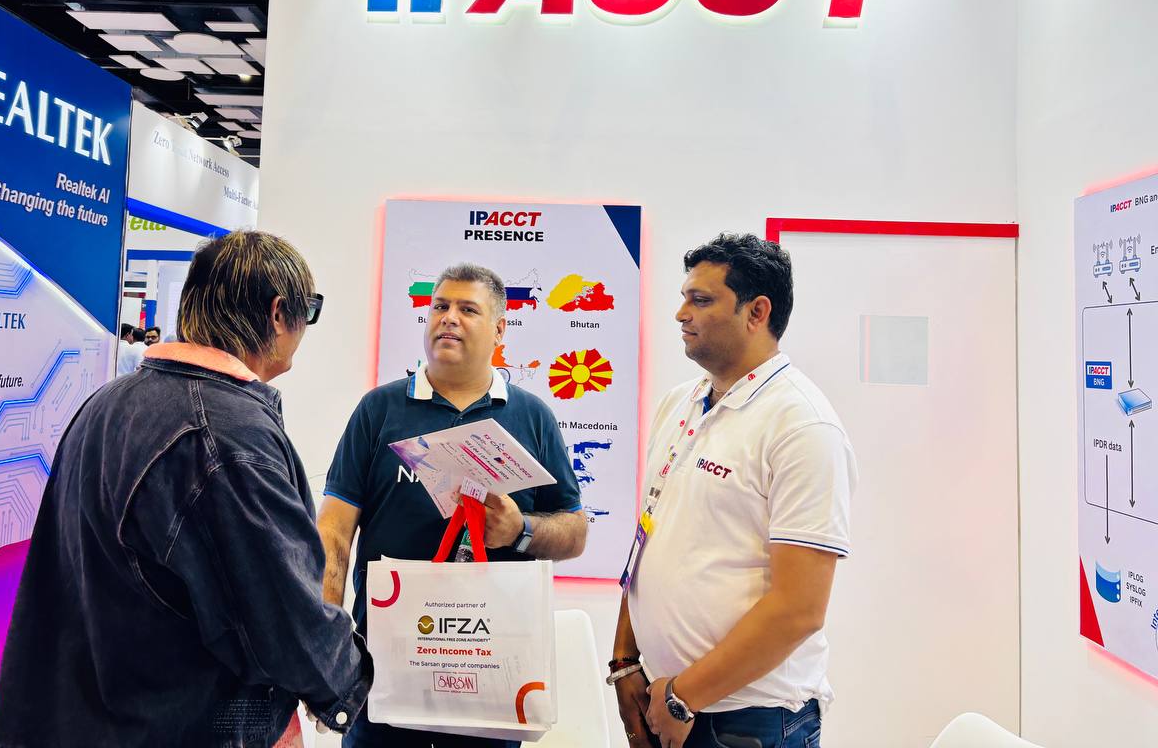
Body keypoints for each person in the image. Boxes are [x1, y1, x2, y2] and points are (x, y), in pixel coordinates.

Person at [0, 231, 371, 748]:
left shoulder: (109, 402)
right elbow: (282, 616)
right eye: (311, 310)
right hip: (176, 721)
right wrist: (350, 681)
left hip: (86, 712)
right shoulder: (227, 435)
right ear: (280, 314)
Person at [318, 262, 587, 748]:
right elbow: (333, 532)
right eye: (440, 306)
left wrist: (520, 530)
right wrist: (324, 648)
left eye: (468, 309)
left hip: (491, 676)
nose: (448, 318)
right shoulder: (379, 410)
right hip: (385, 672)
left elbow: (574, 533)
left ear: (500, 330)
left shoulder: (532, 416)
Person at [612, 234, 857, 748]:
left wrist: (684, 696)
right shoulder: (681, 402)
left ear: (757, 312)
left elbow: (799, 609)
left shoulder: (802, 425)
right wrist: (625, 660)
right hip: (665, 698)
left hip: (748, 719)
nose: (681, 314)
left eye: (701, 300)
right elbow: (648, 538)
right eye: (684, 298)